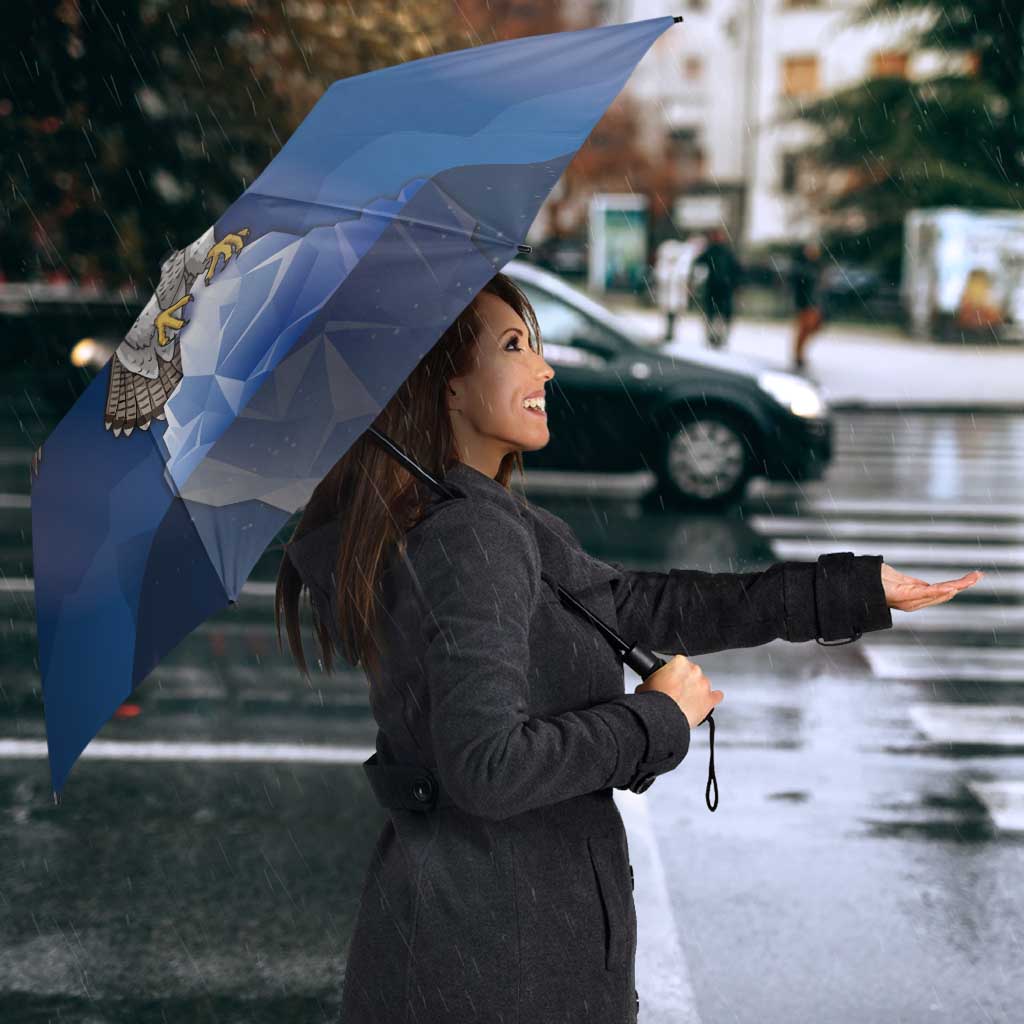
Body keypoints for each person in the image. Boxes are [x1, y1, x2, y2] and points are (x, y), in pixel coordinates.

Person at [275, 272, 979, 1024]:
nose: (544, 368)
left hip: (479, 942)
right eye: (514, 346)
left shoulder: (475, 517)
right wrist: (655, 719)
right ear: (444, 387)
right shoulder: (470, 536)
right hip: (498, 963)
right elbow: (487, 767)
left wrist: (849, 591)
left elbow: (640, 605)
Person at [692, 226, 742, 349]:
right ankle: (713, 337)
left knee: (720, 315)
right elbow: (698, 264)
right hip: (715, 288)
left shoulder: (725, 252)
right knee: (713, 314)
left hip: (723, 288)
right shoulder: (712, 251)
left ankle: (719, 337)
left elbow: (736, 270)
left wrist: (735, 284)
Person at [790, 239, 826, 370]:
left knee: (812, 328)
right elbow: (799, 286)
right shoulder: (802, 267)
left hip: (814, 303)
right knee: (804, 329)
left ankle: (799, 354)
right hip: (805, 303)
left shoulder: (817, 266)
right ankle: (798, 355)